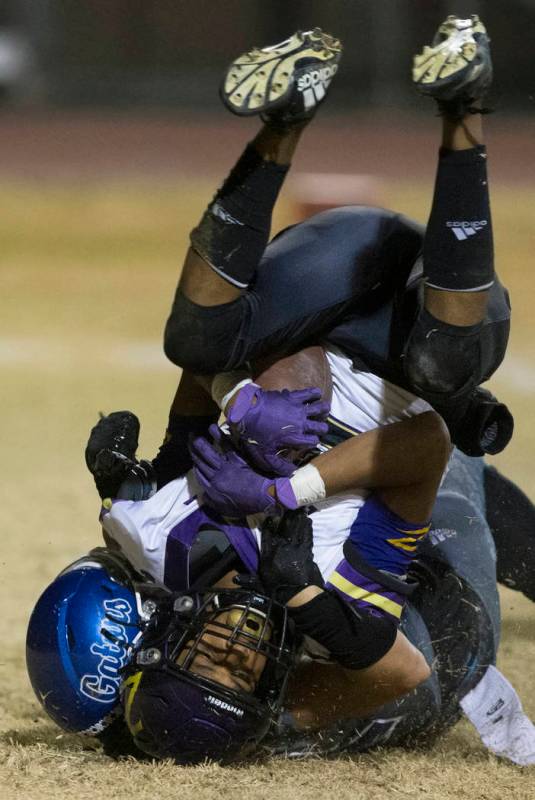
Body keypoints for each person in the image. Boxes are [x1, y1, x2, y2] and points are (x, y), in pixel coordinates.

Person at [162, 17, 512, 459]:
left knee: (196, 341)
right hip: (399, 300)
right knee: (442, 366)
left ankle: (290, 123)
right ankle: (459, 106)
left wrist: (178, 457)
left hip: (371, 275)